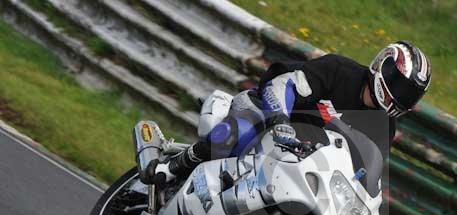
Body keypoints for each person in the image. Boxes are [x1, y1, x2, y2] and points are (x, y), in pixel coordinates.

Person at [141, 41, 431, 186]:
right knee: (244, 127)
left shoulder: (384, 127)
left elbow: (367, 171)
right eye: (398, 85)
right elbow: (285, 85)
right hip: (268, 115)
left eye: (408, 94)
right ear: (383, 66)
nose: (399, 96)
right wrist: (280, 120)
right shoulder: (339, 71)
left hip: (299, 162)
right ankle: (174, 167)